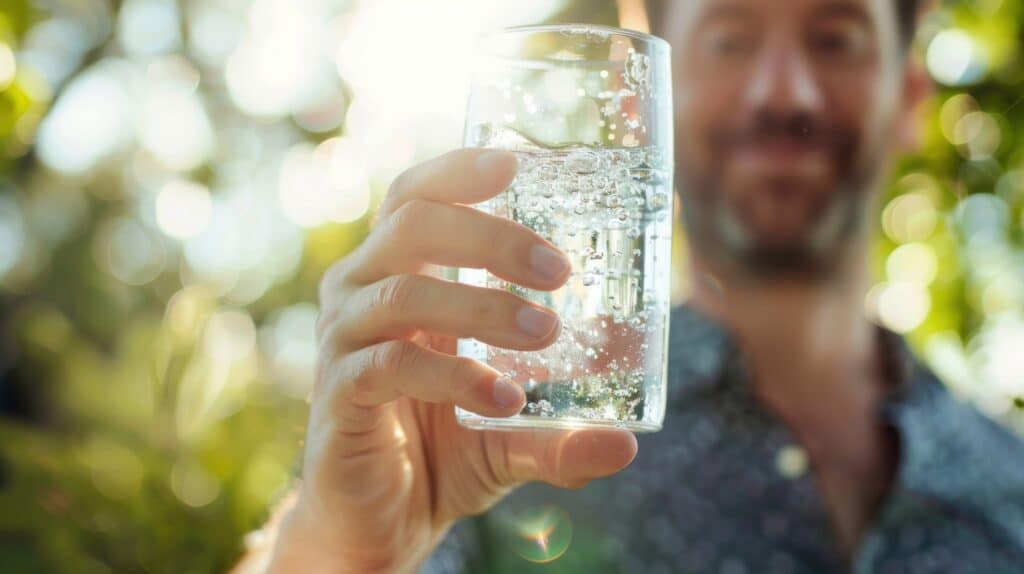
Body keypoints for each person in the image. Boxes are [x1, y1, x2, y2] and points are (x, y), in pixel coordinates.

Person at [236, 0, 1024, 572]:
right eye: (730, 38)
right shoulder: (498, 448)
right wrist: (339, 551)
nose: (781, 91)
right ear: (649, 99)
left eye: (835, 38)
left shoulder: (1010, 483)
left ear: (910, 99)